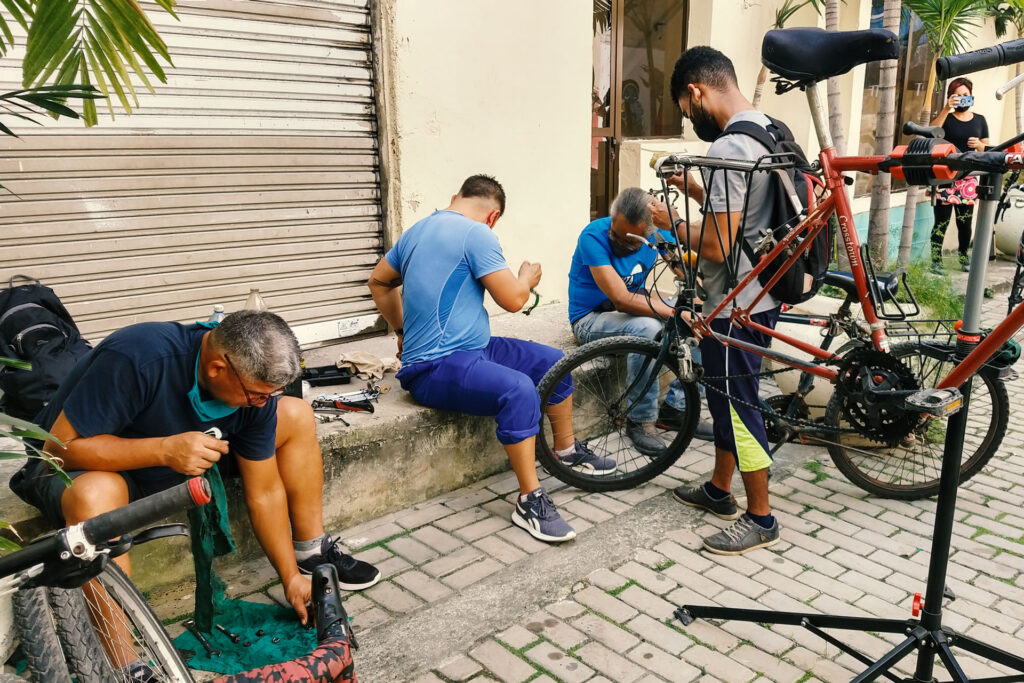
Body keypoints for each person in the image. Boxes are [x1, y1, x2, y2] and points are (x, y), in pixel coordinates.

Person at [9, 310, 381, 627]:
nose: (261, 403)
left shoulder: (255, 394)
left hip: (174, 464)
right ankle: (125, 666)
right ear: (218, 367)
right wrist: (165, 449)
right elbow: (56, 451)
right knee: (97, 495)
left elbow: (264, 490)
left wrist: (289, 579)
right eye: (256, 394)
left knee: (296, 414)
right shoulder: (140, 356)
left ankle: (309, 552)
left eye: (268, 394)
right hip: (82, 467)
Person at [367, 174, 611, 544]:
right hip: (434, 367)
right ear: (493, 216)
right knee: (519, 390)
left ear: (455, 196)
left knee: (555, 361)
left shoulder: (416, 231)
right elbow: (513, 300)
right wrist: (527, 277)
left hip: (473, 348)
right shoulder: (478, 234)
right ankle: (530, 500)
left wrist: (401, 332)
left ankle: (566, 450)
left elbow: (379, 282)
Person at [664, 45, 782, 555]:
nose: (691, 122)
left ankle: (761, 516)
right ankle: (718, 489)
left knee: (738, 405)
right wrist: (694, 190)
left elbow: (714, 243)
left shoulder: (730, 148)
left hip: (736, 302)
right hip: (765, 289)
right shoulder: (770, 130)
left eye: (686, 111)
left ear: (695, 92)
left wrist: (665, 219)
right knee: (724, 396)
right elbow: (747, 215)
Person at [567, 186, 714, 456]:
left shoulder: (658, 233)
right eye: (616, 233)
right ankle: (641, 419)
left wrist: (700, 300)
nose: (619, 242)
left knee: (704, 318)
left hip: (633, 311)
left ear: (647, 233)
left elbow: (682, 269)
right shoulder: (593, 236)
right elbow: (621, 299)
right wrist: (676, 312)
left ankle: (678, 408)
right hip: (591, 319)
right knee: (648, 329)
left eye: (630, 240)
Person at [929, 77, 990, 272]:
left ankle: (964, 258)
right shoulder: (946, 117)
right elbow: (930, 133)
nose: (962, 99)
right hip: (945, 175)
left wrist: (979, 145)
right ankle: (936, 261)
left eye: (966, 95)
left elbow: (988, 149)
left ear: (971, 96)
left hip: (969, 178)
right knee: (941, 222)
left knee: (965, 223)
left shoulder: (980, 120)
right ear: (950, 97)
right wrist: (946, 109)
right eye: (957, 96)